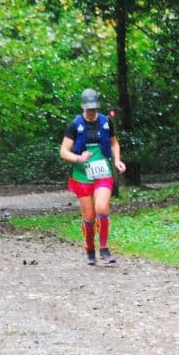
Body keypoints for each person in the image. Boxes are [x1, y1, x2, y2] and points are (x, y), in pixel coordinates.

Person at [59, 88, 127, 265]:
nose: (91, 112)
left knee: (102, 208)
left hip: (103, 171)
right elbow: (63, 152)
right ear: (82, 106)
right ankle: (90, 249)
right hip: (82, 175)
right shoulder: (74, 125)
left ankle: (104, 249)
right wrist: (78, 158)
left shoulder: (106, 122)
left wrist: (118, 160)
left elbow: (114, 143)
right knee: (89, 215)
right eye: (88, 109)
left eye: (94, 109)